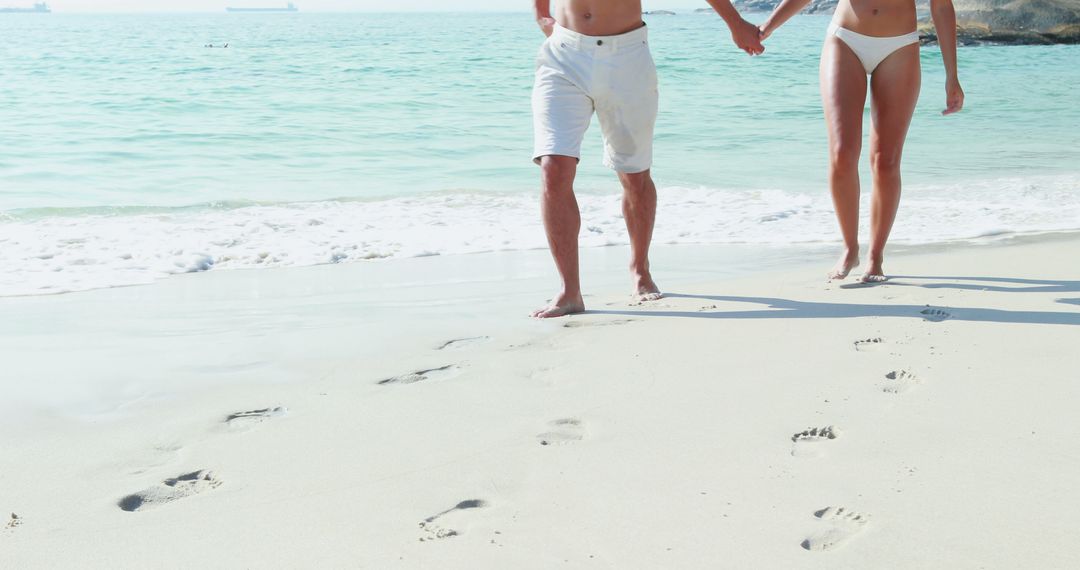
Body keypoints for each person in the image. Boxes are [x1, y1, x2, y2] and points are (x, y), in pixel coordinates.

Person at [530, 0, 765, 317]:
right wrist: (541, 16)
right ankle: (569, 291)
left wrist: (735, 23)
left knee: (634, 176)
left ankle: (640, 268)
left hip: (627, 57)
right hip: (563, 54)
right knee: (553, 170)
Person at [758, 0, 964, 282]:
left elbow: (941, 6)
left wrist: (951, 75)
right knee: (842, 153)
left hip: (899, 45)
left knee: (885, 161)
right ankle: (850, 247)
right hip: (845, 40)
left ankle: (875, 256)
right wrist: (767, 27)